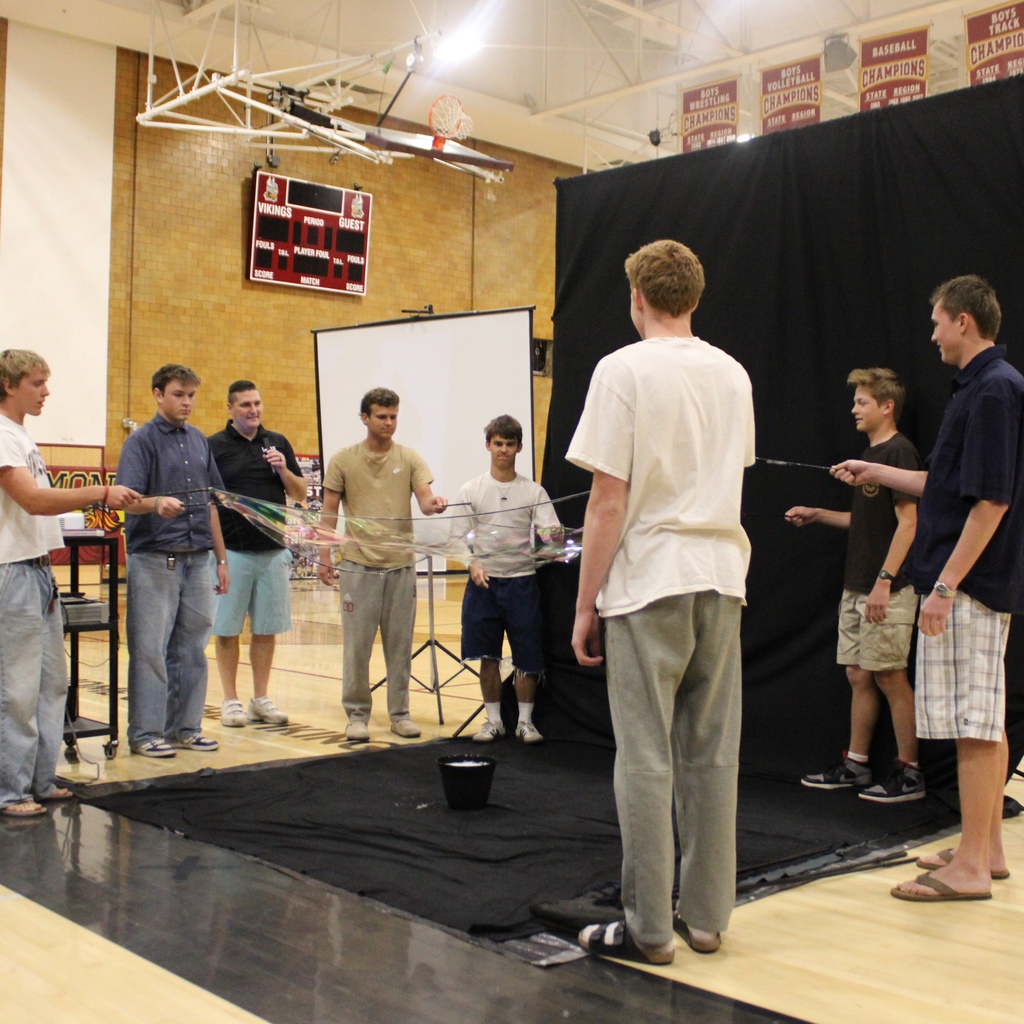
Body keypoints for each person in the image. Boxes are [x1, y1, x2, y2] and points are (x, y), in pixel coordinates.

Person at [567, 240, 755, 964]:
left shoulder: (623, 369)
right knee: (711, 752)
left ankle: (647, 927)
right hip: (721, 576)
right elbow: (727, 474)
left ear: (637, 298)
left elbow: (607, 499)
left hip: (650, 580)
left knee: (644, 756)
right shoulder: (732, 373)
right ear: (695, 298)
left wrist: (586, 603)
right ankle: (706, 919)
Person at [833, 275, 1023, 902]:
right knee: (985, 721)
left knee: (973, 724)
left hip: (969, 586)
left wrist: (943, 585)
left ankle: (968, 868)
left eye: (939, 321)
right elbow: (940, 484)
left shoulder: (995, 389)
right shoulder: (979, 387)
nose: (933, 333)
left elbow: (991, 503)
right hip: (968, 583)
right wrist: (873, 468)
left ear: (965, 321)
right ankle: (985, 849)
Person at [0, 350, 140, 816]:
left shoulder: (21, 435)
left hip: (38, 571)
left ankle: (40, 779)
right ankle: (10, 790)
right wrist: (101, 491)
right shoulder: (1, 435)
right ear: (9, 384)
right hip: (12, 571)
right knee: (16, 690)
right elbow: (34, 500)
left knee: (51, 685)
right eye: (37, 383)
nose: (46, 392)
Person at [786, 368, 924, 803]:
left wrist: (885, 582)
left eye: (862, 402)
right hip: (857, 586)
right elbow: (865, 523)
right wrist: (818, 514)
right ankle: (857, 764)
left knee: (889, 675)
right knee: (859, 673)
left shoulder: (899, 452)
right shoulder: (869, 455)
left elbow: (909, 523)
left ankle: (910, 772)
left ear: (887, 406)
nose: (853, 409)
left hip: (889, 588)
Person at [318, 388, 447, 742]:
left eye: (393, 416)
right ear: (365, 418)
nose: (389, 423)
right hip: (358, 567)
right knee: (357, 646)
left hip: (400, 567)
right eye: (381, 416)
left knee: (399, 646)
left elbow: (424, 499)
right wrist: (324, 556)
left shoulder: (409, 457)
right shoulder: (343, 459)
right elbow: (328, 514)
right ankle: (357, 714)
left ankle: (400, 714)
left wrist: (434, 504)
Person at [116, 364, 229, 758]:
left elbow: (211, 500)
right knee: (150, 649)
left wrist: (221, 558)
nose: (187, 402)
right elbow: (127, 499)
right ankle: (146, 733)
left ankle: (185, 727)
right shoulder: (140, 442)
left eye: (192, 395)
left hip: (199, 558)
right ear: (158, 394)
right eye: (179, 394)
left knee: (193, 648)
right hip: (154, 559)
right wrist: (155, 503)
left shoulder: (199, 440)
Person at [449, 414, 561, 745]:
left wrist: (546, 546)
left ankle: (525, 722)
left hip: (522, 583)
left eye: (510, 444)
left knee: (528, 656)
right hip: (483, 586)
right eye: (498, 443)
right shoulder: (471, 489)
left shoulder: (533, 491)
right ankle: (494, 721)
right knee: (488, 656)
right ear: (488, 446)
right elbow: (457, 538)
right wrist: (472, 563)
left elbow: (552, 535)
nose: (503, 450)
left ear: (519, 448)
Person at [209, 380, 307, 728]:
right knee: (228, 629)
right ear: (230, 409)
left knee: (266, 629)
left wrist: (282, 469)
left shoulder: (277, 442)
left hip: (273, 551)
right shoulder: (215, 446)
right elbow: (210, 502)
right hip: (233, 551)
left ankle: (260, 699)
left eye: (257, 403)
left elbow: (300, 493)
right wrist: (218, 556)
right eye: (246, 405)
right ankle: (230, 700)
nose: (253, 410)